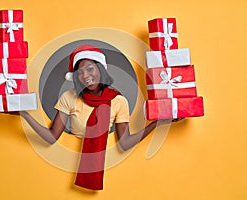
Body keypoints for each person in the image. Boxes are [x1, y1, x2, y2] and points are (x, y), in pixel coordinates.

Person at [16, 44, 180, 190]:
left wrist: (157, 122)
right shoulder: (69, 97)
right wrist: (24, 114)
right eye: (79, 73)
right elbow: (52, 137)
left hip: (111, 176)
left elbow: (125, 142)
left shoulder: (118, 101)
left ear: (100, 69)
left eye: (90, 68)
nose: (85, 75)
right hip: (62, 175)